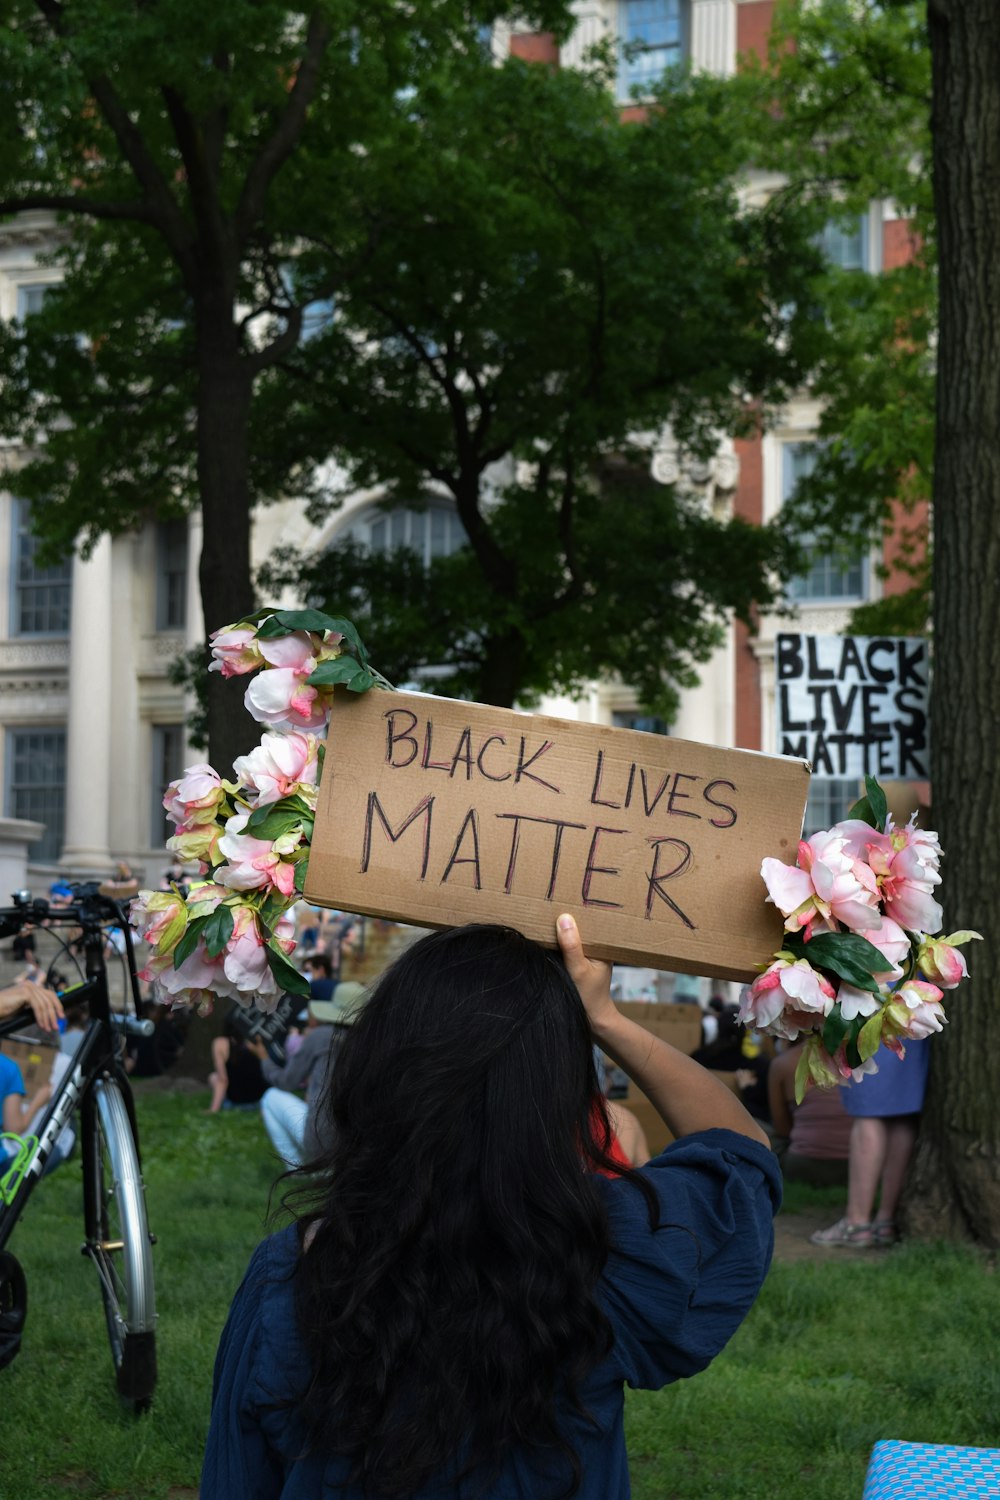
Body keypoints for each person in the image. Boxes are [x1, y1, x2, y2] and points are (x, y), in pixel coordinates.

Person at [203, 915, 779, 1498]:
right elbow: (742, 1153)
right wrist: (604, 1018)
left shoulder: (291, 1274)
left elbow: (237, 1479)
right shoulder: (607, 1258)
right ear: (561, 1098)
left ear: (377, 1069)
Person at [811, 1039, 929, 1249]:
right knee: (901, 1113)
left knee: (867, 1112)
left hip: (872, 1018)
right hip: (917, 1016)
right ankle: (885, 1221)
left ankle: (857, 1224)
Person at [251, 981, 368, 1168]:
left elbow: (287, 1082)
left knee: (270, 1097)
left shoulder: (321, 1036)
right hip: (360, 1148)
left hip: (321, 1140)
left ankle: (297, 1168)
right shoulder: (371, 1042)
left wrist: (264, 1058)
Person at [767, 1042, 851, 1187]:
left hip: (801, 1164)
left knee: (756, 1128)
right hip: (858, 1164)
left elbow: (782, 1128)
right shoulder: (865, 1055)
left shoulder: (783, 1063)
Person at [207, 1016, 267, 1114]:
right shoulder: (255, 1042)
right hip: (261, 1102)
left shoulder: (220, 1043)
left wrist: (213, 1109)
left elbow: (223, 1080)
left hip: (235, 1104)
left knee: (213, 1077)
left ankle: (217, 1106)